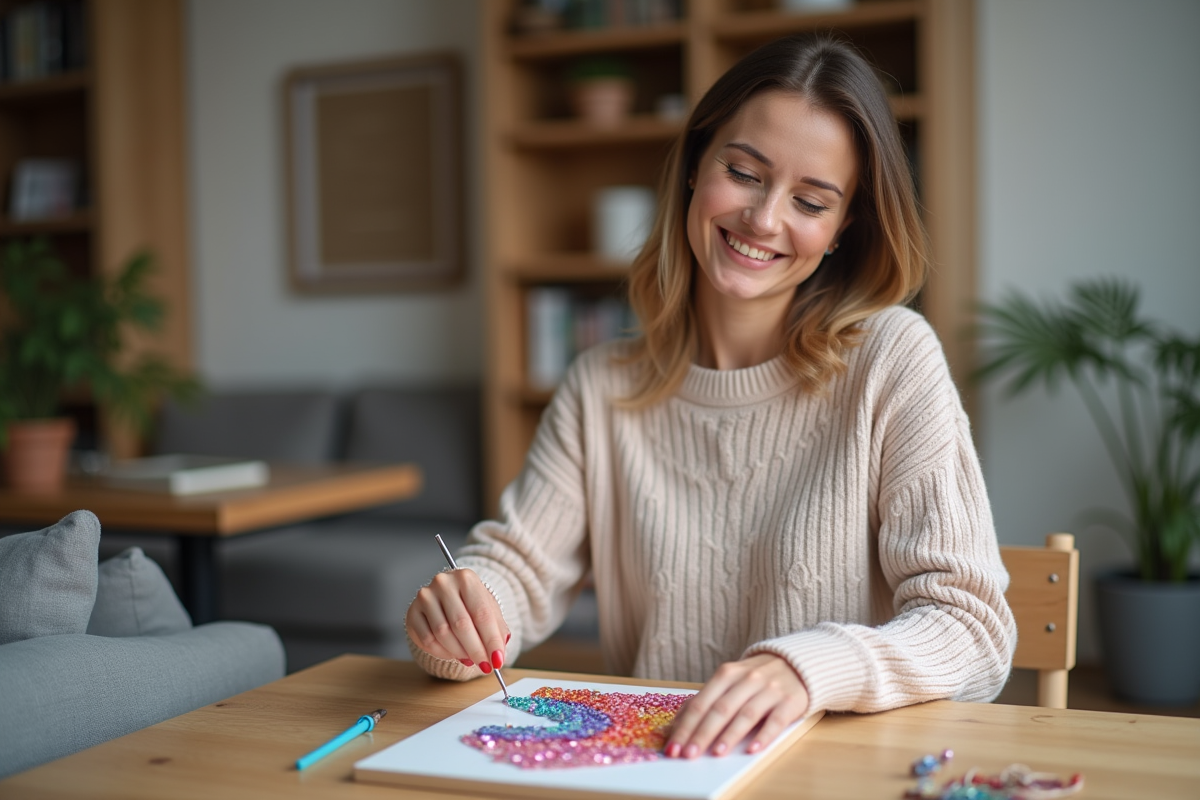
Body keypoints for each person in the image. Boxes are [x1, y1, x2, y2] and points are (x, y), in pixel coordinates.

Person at [406, 33, 1016, 761]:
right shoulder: (601, 385)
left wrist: (805, 669)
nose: (764, 219)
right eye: (744, 172)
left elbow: (973, 631)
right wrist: (463, 616)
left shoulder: (892, 358)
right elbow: (517, 570)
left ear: (841, 228)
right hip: (656, 767)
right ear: (696, 164)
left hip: (835, 772)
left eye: (810, 201)